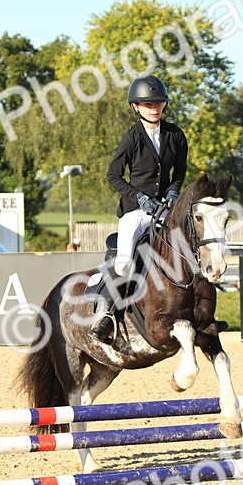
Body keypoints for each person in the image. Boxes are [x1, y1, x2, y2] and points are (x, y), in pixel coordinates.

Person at [90, 75, 187, 343]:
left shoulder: (175, 135)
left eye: (158, 103)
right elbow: (113, 176)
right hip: (136, 211)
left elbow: (179, 171)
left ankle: (200, 310)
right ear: (136, 107)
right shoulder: (131, 138)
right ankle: (106, 316)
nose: (154, 108)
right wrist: (139, 197)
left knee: (189, 248)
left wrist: (173, 191)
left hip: (165, 209)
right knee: (123, 263)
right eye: (148, 104)